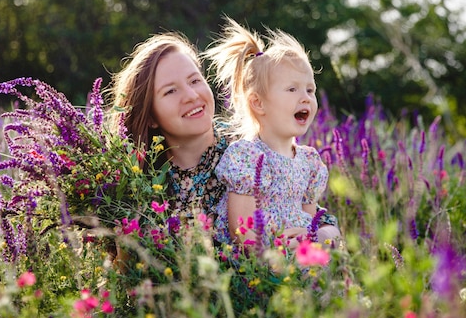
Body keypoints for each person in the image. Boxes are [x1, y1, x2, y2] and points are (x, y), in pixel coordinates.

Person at [205, 18, 341, 248]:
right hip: (262, 269)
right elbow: (243, 233)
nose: (306, 97)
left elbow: (310, 221)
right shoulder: (247, 157)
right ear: (258, 103)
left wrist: (312, 241)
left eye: (310, 89)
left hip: (299, 265)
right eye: (292, 89)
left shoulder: (309, 162)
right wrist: (273, 262)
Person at [107, 32, 227, 221]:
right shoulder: (136, 185)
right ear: (150, 117)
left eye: (195, 81)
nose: (192, 95)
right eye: (171, 91)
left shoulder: (251, 154)